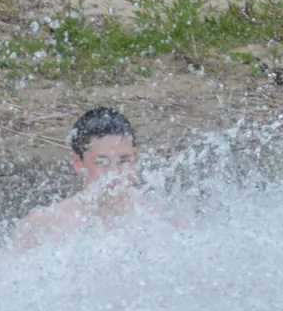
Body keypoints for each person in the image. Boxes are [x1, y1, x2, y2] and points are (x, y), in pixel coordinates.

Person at [10, 106, 185, 249]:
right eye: (102, 162)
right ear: (78, 163)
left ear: (135, 157)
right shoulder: (44, 224)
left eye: (124, 161)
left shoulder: (163, 220)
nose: (114, 173)